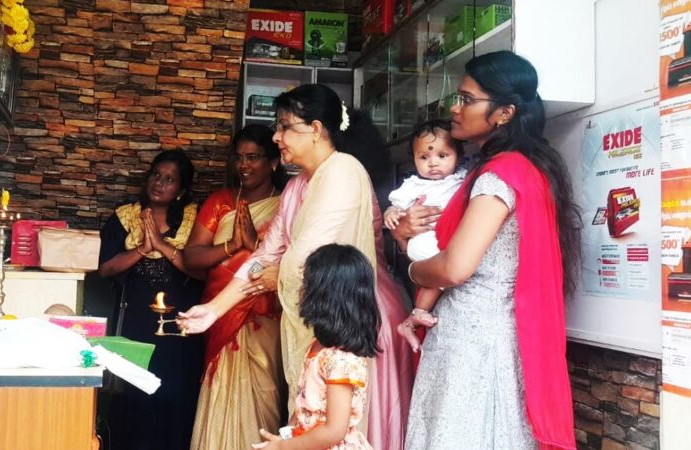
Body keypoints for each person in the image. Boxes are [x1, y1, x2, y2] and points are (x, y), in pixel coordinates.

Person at [178, 84, 413, 450]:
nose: (276, 136)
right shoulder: (296, 186)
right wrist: (212, 310)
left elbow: (305, 258)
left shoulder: (343, 172)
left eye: (284, 126)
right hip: (322, 322)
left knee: (342, 431)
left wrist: (276, 276)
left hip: (356, 323)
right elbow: (266, 256)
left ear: (315, 129)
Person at [401, 51, 580, 450]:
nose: (455, 107)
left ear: (503, 113)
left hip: (475, 343)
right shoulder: (526, 168)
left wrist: (412, 268)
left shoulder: (499, 175)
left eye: (467, 99)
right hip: (495, 336)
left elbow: (454, 268)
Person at [182, 124, 288, 450]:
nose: (244, 165)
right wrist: (232, 246)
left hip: (265, 317)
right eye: (239, 157)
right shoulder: (221, 202)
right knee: (219, 396)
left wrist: (254, 243)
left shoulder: (286, 205)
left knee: (264, 397)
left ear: (273, 162)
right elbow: (191, 257)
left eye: (253, 157)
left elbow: (290, 263)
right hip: (220, 315)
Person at [98, 150, 204, 450]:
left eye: (170, 179)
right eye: (156, 175)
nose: (159, 183)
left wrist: (160, 244)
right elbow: (105, 268)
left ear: (181, 190)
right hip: (136, 326)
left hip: (180, 330)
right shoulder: (125, 217)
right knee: (135, 395)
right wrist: (142, 249)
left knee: (174, 395)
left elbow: (202, 272)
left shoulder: (195, 219)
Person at [252, 244, 379, 450]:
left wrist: (283, 447)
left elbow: (334, 431)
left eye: (307, 283)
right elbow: (305, 407)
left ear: (325, 296)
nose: (301, 290)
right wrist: (285, 437)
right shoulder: (318, 347)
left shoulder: (340, 360)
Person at [383, 120, 466, 342]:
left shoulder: (461, 182)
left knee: (440, 274)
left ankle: (415, 317)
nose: (433, 163)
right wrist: (391, 213)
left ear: (458, 156)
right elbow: (395, 206)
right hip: (423, 241)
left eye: (442, 155)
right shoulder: (414, 186)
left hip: (443, 242)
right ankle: (419, 312)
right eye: (424, 157)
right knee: (446, 268)